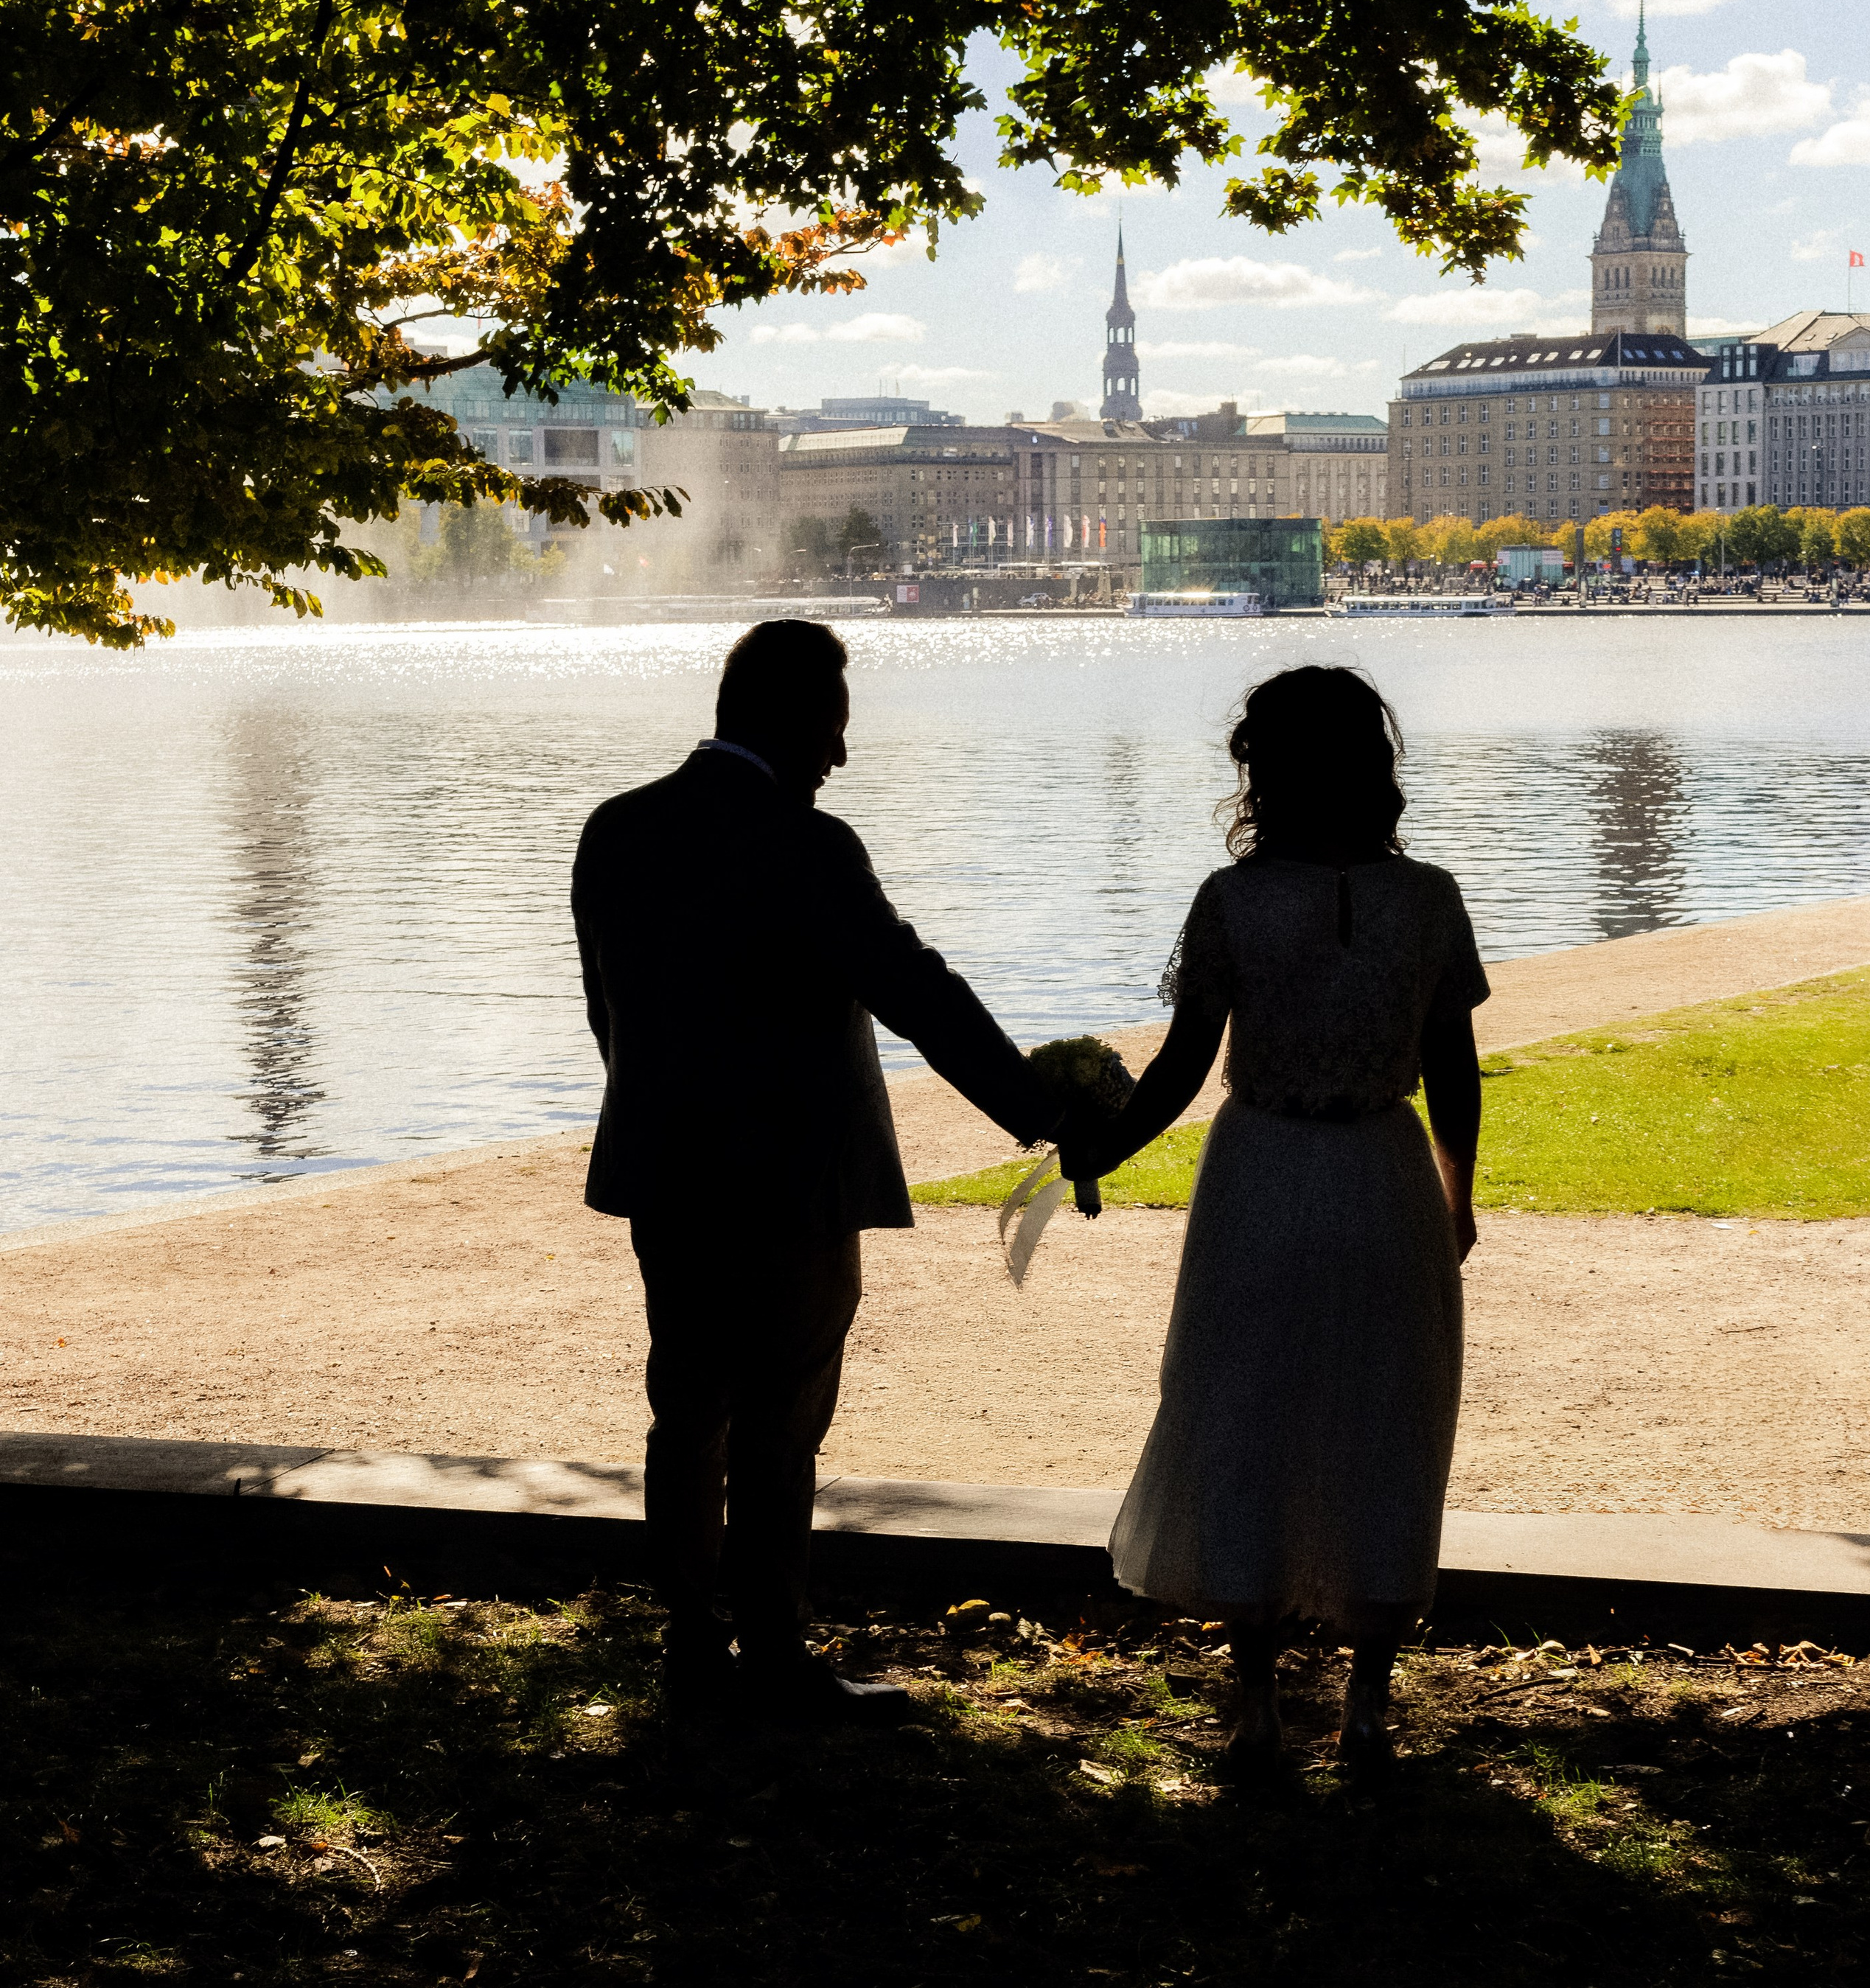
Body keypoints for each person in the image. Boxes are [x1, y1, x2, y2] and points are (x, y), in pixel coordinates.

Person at [572, 618, 1059, 1723]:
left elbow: (610, 1013)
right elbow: (917, 992)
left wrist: (658, 1115)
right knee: (783, 1422)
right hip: (792, 1182)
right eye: (834, 726)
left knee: (686, 1412)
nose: (841, 752)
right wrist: (1043, 1113)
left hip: (668, 1173)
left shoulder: (618, 829)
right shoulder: (805, 844)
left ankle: (691, 1644)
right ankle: (776, 1655)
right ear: (791, 719)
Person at [1058, 665, 1486, 1782]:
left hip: (1258, 1173)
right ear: (1374, 765)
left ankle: (1255, 1704)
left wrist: (1099, 1145)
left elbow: (1180, 1069)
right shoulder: (1428, 898)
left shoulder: (1233, 900)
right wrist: (1457, 1192)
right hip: (1385, 1172)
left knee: (1243, 1412)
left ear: (1268, 772)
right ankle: (1369, 1706)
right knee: (1389, 1422)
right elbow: (1454, 1067)